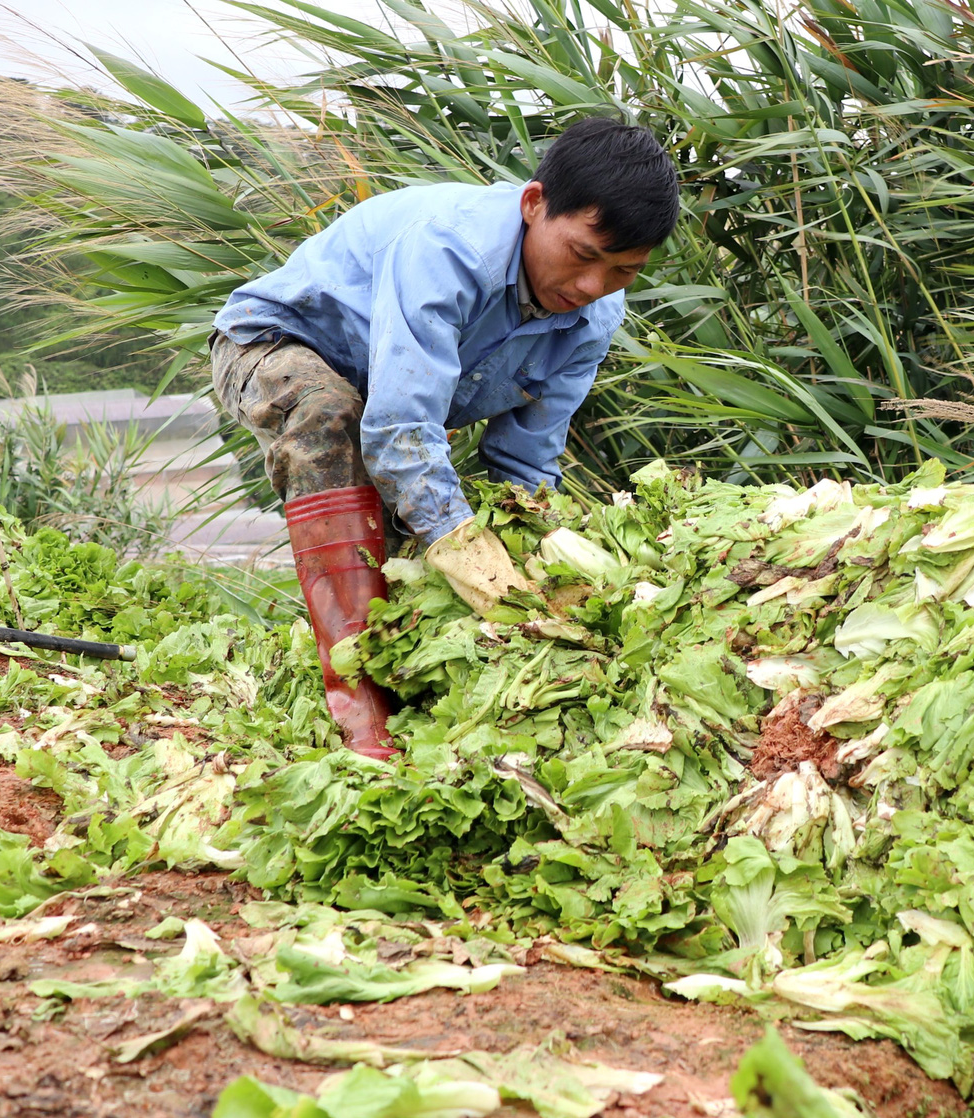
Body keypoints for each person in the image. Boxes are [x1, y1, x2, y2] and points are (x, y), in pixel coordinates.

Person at [209, 117, 681, 759]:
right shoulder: (449, 248)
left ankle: (408, 683)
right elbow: (400, 427)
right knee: (329, 417)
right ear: (535, 204)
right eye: (583, 255)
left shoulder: (593, 315)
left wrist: (525, 565)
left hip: (380, 391)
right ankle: (358, 706)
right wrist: (460, 542)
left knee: (413, 550)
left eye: (624, 271)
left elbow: (525, 459)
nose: (591, 287)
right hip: (274, 345)